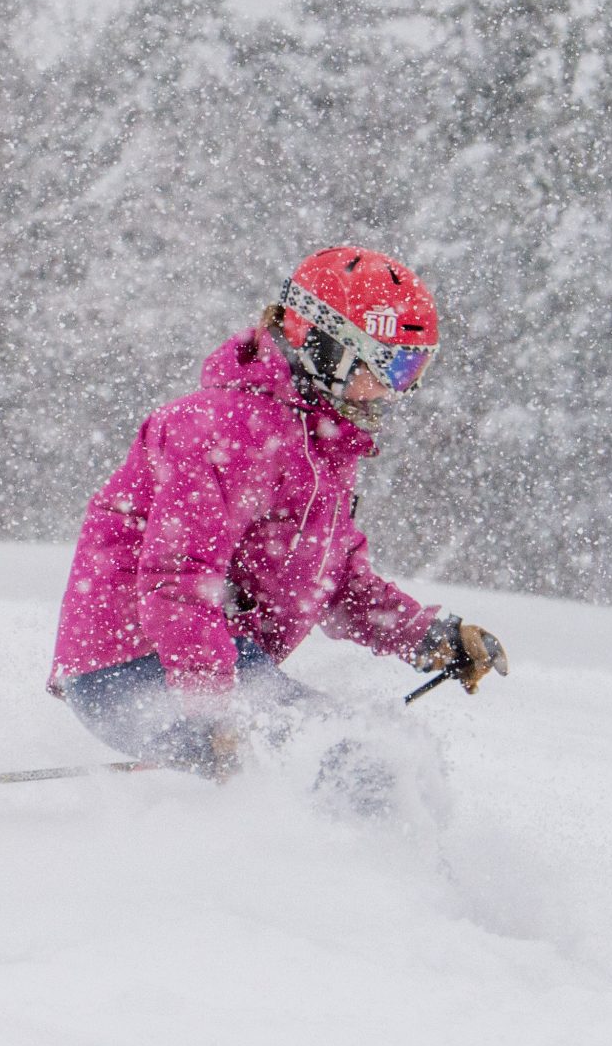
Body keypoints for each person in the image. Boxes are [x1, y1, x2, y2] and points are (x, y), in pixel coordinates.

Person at [47, 246, 506, 785]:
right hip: (132, 668)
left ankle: (389, 865)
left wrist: (426, 635)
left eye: (413, 368)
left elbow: (332, 583)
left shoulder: (317, 445)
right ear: (325, 344)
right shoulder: (220, 428)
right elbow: (179, 579)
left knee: (369, 761)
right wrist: (212, 707)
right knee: (347, 768)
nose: (395, 389)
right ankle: (353, 869)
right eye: (390, 365)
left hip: (216, 665)